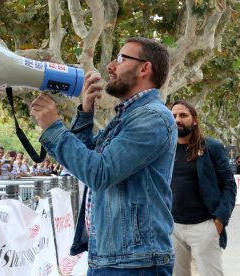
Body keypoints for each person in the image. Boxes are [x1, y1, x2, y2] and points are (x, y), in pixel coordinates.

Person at [30, 37, 177, 275]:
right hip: (115, 257)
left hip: (135, 262)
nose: (110, 66)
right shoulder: (128, 116)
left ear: (144, 68)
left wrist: (53, 127)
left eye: (120, 58)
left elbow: (99, 173)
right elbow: (82, 163)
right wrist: (86, 111)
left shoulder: (152, 118)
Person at [170, 100, 237, 276]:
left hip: (205, 225)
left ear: (194, 120)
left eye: (183, 115)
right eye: (173, 116)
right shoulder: (165, 149)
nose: (177, 119)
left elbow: (229, 185)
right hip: (173, 227)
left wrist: (219, 221)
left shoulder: (211, 147)